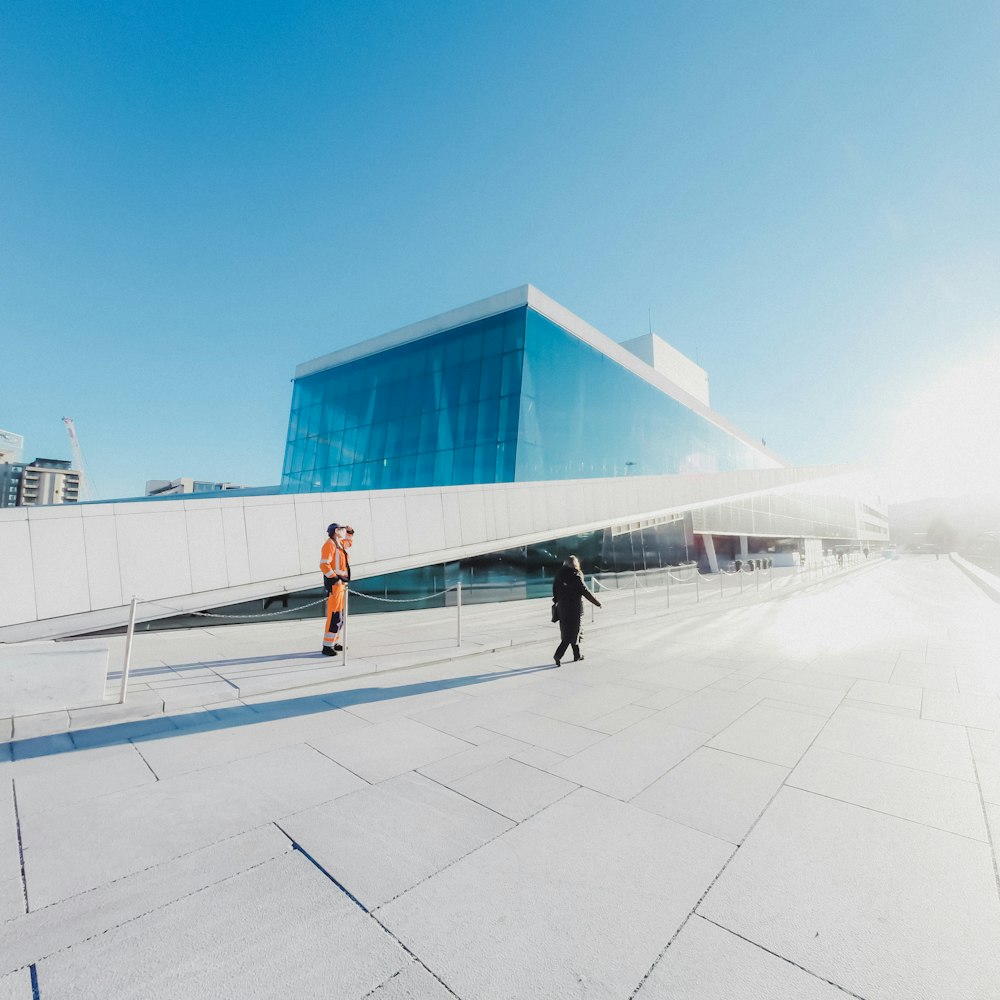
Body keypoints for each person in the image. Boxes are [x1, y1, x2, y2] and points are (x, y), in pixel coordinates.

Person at [552, 555, 601, 666]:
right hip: (574, 609)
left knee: (571, 632)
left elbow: (554, 590)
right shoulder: (576, 576)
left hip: (562, 609)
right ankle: (558, 655)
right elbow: (585, 591)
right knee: (572, 633)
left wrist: (556, 601)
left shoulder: (559, 575)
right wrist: (597, 603)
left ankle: (577, 655)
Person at [320, 523, 352, 656]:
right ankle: (327, 646)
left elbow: (349, 543)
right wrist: (335, 579)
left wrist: (350, 531)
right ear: (334, 531)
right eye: (340, 529)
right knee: (334, 616)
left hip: (341, 584)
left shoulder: (338, 543)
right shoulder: (329, 545)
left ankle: (334, 642)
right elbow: (324, 565)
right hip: (336, 585)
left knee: (340, 616)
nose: (342, 531)